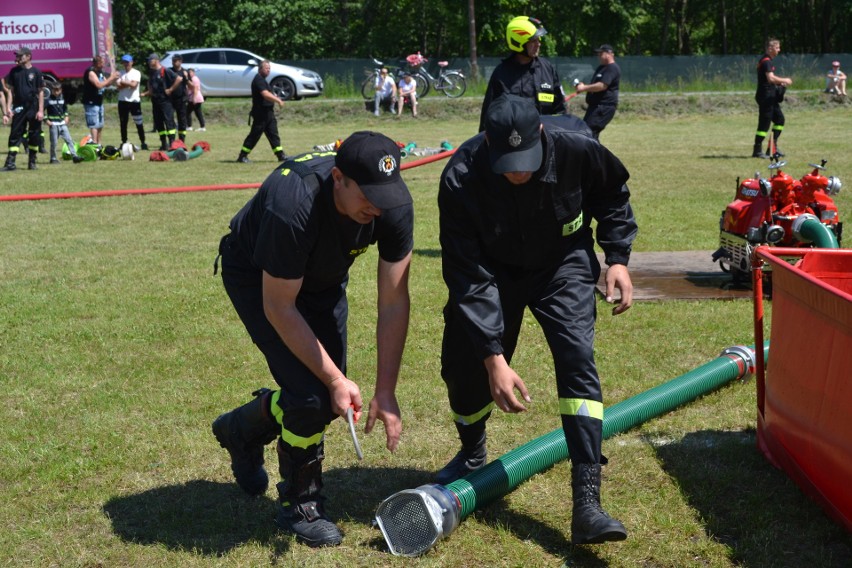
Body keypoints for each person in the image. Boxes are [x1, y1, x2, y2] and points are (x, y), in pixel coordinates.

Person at [437, 94, 637, 545]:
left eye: (525, 160)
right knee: (464, 363)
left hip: (561, 264)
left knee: (576, 356)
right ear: (487, 142)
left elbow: (612, 195)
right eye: (506, 163)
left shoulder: (578, 147)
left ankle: (587, 501)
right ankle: (472, 454)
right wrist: (493, 358)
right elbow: (467, 275)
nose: (517, 172)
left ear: (541, 134)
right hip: (492, 271)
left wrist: (618, 257)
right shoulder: (462, 176)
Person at [212, 131, 413, 547]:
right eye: (367, 195)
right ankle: (301, 505)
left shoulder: (391, 204)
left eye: (385, 195)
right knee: (314, 394)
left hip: (321, 281)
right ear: (338, 177)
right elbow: (280, 306)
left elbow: (393, 302)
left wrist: (386, 391)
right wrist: (336, 380)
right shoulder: (294, 204)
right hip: (261, 280)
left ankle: (242, 429)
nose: (377, 207)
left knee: (321, 397)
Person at [478, 16, 566, 132]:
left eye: (539, 39)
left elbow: (560, 109)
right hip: (513, 143)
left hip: (545, 141)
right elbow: (489, 116)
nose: (538, 44)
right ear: (518, 43)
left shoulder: (547, 69)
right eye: (533, 40)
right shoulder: (501, 74)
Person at [2, 47, 45, 172]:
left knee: (34, 134)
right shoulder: (14, 72)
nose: (18, 58)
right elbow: (10, 91)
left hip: (33, 107)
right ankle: (10, 163)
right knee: (15, 133)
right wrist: (9, 108)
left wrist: (40, 110)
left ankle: (32, 162)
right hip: (19, 107)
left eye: (21, 56)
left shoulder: (36, 72)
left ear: (28, 56)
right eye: (18, 56)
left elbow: (41, 92)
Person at [236, 60, 286, 163]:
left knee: (273, 134)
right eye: (266, 68)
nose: (268, 70)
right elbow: (265, 94)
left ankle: (280, 155)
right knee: (255, 135)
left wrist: (274, 96)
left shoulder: (263, 80)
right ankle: (242, 156)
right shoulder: (258, 79)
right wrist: (278, 100)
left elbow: (268, 93)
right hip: (261, 113)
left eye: (269, 68)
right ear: (260, 69)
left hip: (268, 113)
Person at [753, 38, 793, 158]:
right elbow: (770, 78)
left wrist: (779, 84)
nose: (779, 50)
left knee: (780, 120)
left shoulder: (768, 61)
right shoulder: (766, 61)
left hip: (770, 97)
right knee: (764, 124)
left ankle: (772, 148)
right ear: (770, 48)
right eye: (777, 48)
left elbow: (770, 80)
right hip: (765, 97)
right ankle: (757, 150)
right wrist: (784, 80)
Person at [575, 44, 621, 140]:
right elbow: (595, 84)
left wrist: (584, 88)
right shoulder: (601, 68)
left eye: (601, 53)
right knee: (588, 133)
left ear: (609, 54)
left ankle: (594, 154)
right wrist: (582, 86)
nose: (598, 56)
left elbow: (602, 86)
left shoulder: (612, 68)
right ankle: (593, 154)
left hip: (604, 107)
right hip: (595, 107)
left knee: (588, 132)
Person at [141, 53, 179, 151]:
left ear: (156, 60)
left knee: (169, 122)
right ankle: (163, 143)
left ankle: (172, 143)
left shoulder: (165, 70)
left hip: (165, 101)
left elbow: (178, 79)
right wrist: (148, 92)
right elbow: (150, 82)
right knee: (158, 123)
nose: (149, 62)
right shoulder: (152, 72)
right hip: (155, 101)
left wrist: (170, 89)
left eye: (150, 60)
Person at [82, 55, 119, 146]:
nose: (103, 65)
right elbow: (98, 85)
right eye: (102, 63)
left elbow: (106, 84)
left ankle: (99, 144)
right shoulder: (91, 72)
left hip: (99, 102)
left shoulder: (100, 72)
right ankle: (94, 144)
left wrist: (113, 78)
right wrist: (111, 78)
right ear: (97, 63)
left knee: (100, 124)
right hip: (91, 102)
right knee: (94, 125)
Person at [45, 82, 83, 164]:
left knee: (69, 140)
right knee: (54, 142)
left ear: (61, 90)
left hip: (62, 124)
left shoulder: (62, 99)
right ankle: (53, 158)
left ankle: (74, 156)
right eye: (54, 90)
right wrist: (46, 120)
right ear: (52, 90)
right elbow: (41, 110)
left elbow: (65, 109)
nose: (56, 92)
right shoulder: (48, 100)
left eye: (57, 90)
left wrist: (66, 116)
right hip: (53, 125)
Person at [116, 54, 148, 150]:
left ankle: (143, 142)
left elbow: (134, 85)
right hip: (122, 101)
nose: (126, 64)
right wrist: (128, 83)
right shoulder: (119, 73)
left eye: (128, 62)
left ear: (132, 62)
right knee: (123, 123)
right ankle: (124, 142)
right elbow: (118, 87)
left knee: (139, 123)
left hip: (134, 101)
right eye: (124, 62)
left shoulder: (136, 73)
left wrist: (123, 82)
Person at [169, 53, 190, 141]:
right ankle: (172, 140)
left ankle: (182, 140)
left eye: (175, 61)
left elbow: (192, 86)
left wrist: (186, 77)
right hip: (170, 99)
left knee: (182, 120)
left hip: (181, 99)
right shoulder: (169, 71)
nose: (173, 62)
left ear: (180, 62)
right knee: (169, 119)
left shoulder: (185, 72)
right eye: (173, 61)